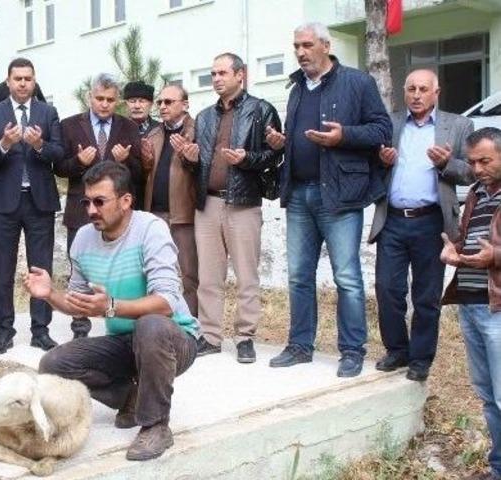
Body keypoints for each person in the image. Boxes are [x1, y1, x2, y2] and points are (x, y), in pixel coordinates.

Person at [33, 161, 198, 461]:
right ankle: (131, 398)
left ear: (125, 201)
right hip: (126, 343)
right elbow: (80, 304)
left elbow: (166, 303)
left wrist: (111, 307)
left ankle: (156, 425)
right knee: (53, 364)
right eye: (87, 202)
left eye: (100, 201)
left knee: (151, 324)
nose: (92, 210)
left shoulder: (150, 229)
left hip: (175, 340)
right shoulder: (83, 238)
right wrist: (50, 295)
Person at [265, 22, 391, 377]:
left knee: (347, 276)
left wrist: (344, 136)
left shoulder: (357, 82)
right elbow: (300, 136)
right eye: (296, 46)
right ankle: (300, 345)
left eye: (307, 45)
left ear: (325, 45)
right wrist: (283, 142)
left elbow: (382, 130)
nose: (301, 52)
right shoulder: (297, 88)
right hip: (301, 193)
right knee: (299, 276)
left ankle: (352, 351)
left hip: (340, 195)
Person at [369, 69, 474, 382]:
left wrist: (446, 164)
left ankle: (420, 359)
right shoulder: (391, 122)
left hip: (432, 223)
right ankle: (397, 350)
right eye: (411, 89)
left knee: (426, 297)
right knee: (387, 290)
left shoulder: (457, 125)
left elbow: (471, 171)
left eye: (423, 89)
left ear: (436, 92)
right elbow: (371, 166)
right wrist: (382, 162)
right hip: (393, 220)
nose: (416, 95)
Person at [185, 53, 282, 363]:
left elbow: (276, 156)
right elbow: (200, 163)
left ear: (241, 75)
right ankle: (211, 336)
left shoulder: (261, 110)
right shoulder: (203, 117)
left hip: (243, 203)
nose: (216, 78)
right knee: (209, 276)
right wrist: (189, 158)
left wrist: (247, 159)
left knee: (246, 275)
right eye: (213, 73)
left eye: (222, 72)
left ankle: (245, 337)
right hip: (208, 203)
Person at [0, 57, 63, 355]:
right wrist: (4, 144)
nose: (23, 83)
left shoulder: (47, 111)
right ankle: (4, 330)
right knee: (2, 269)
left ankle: (40, 330)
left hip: (38, 201)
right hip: (3, 203)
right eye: (18, 78)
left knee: (40, 267)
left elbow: (59, 152)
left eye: (28, 78)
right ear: (8, 81)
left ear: (34, 80)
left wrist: (40, 145)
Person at [55, 73, 142, 339]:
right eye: (99, 98)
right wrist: (79, 162)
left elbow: (140, 173)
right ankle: (80, 327)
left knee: (121, 268)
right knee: (79, 272)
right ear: (89, 97)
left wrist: (125, 161)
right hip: (80, 210)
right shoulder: (69, 125)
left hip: (116, 213)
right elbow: (58, 167)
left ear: (117, 101)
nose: (104, 104)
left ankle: (120, 323)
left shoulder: (128, 127)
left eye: (110, 100)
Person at [439, 127, 501, 480]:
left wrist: (496, 255)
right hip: (472, 303)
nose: (476, 169)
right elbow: (469, 241)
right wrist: (455, 251)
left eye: (485, 161)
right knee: (489, 397)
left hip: (498, 309)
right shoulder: (477, 193)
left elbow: (493, 251)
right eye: (473, 161)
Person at [140, 85, 199, 318]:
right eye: (160, 102)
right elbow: (146, 174)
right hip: (154, 215)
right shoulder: (153, 134)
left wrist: (189, 158)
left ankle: (190, 325)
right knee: (154, 273)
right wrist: (144, 162)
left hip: (184, 214)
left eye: (169, 102)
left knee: (188, 275)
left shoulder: (197, 130)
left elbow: (203, 170)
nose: (162, 107)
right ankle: (158, 325)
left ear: (184, 104)